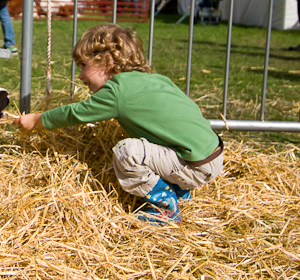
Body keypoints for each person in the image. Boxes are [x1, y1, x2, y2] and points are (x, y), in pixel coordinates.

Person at [14, 24, 224, 226]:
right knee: (144, 145)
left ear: (106, 62)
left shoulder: (116, 92)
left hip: (194, 165)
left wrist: (36, 120)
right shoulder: (154, 80)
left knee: (127, 151)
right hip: (210, 154)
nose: (79, 76)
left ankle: (165, 206)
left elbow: (75, 113)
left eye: (84, 66)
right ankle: (178, 188)